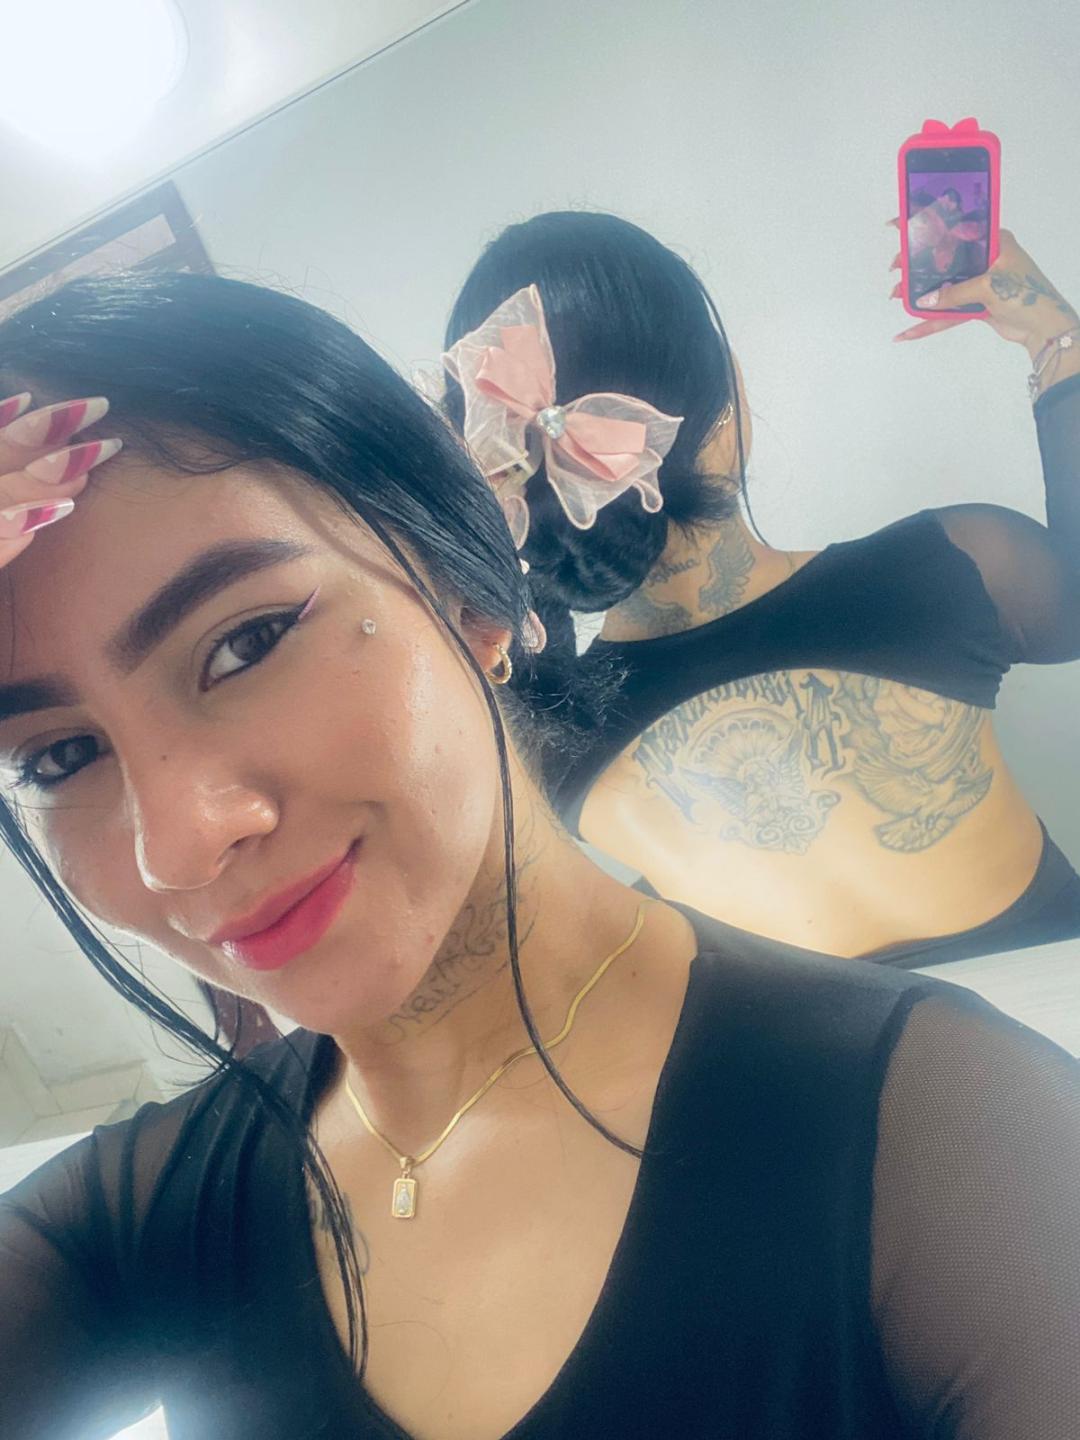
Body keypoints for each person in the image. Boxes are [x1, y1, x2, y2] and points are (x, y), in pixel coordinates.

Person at [0, 271, 1077, 1440]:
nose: (178, 843)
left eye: (247, 642)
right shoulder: (134, 1215)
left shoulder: (952, 1148)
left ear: (471, 596)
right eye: (58, 757)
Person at [442, 213, 1080, 963]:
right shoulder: (954, 568)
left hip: (833, 1042)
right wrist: (1054, 335)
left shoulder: (546, 736)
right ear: (727, 402)